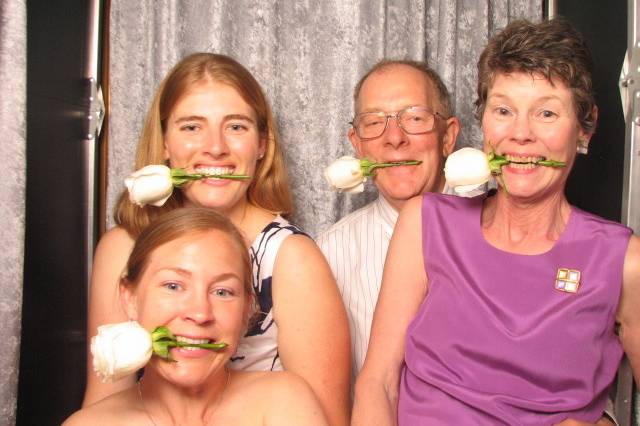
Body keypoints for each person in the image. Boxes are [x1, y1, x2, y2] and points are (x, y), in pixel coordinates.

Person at [353, 18, 639, 425]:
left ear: (584, 128)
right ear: (483, 122)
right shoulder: (425, 222)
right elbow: (378, 383)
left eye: (546, 113)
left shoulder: (623, 261)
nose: (520, 134)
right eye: (503, 110)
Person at [84, 53, 350, 426]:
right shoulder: (123, 249)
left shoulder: (290, 258)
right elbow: (105, 400)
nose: (215, 147)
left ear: (261, 144)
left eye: (236, 127)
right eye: (192, 127)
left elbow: (326, 417)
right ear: (164, 142)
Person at [66, 208, 329, 425]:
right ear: (130, 298)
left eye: (222, 291)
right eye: (173, 286)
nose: (200, 313)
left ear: (246, 311)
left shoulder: (285, 402)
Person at [317, 60, 460, 378]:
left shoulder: (504, 229)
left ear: (448, 136)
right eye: (373, 122)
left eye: (415, 117)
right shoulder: (327, 256)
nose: (394, 138)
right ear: (357, 145)